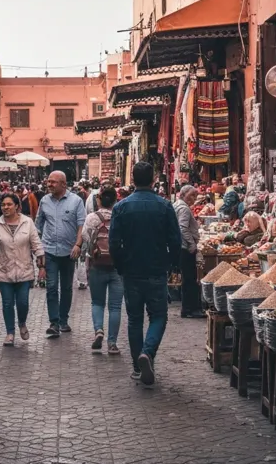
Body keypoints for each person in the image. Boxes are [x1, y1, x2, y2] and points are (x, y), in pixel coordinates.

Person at [109, 162, 181, 387]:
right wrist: (171, 264)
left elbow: (114, 243)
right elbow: (175, 241)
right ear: (153, 179)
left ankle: (137, 366)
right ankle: (147, 353)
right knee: (158, 316)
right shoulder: (164, 206)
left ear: (133, 179)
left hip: (131, 271)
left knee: (135, 319)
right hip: (156, 270)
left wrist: (121, 266)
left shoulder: (121, 207)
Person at [35, 170, 87, 338]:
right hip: (49, 250)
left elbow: (82, 225)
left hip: (69, 252)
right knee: (51, 286)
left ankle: (64, 320)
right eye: (48, 181)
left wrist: (78, 244)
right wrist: (38, 248)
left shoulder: (76, 201)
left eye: (53, 182)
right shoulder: (44, 201)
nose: (49, 184)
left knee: (66, 287)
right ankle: (54, 322)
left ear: (64, 184)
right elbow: (38, 224)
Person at [0, 193, 44, 346]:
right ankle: (10, 333)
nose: (5, 207)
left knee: (23, 303)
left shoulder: (27, 223)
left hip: (24, 271)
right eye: (3, 205)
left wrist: (41, 265)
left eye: (9, 204)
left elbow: (36, 244)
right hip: (3, 271)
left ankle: (22, 323)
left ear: (17, 206)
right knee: (7, 303)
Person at [82, 186, 123, 354]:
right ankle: (112, 343)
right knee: (115, 307)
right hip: (117, 266)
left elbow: (86, 238)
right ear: (115, 200)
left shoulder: (92, 218)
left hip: (96, 264)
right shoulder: (120, 216)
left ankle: (98, 330)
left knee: (97, 302)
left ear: (98, 200)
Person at [173, 185, 204, 319]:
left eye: (195, 196)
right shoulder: (184, 209)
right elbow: (182, 228)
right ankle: (190, 309)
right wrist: (192, 244)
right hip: (185, 248)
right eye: (191, 195)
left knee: (188, 278)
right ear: (183, 194)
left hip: (181, 246)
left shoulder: (177, 205)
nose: (194, 198)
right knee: (190, 279)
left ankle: (188, 308)